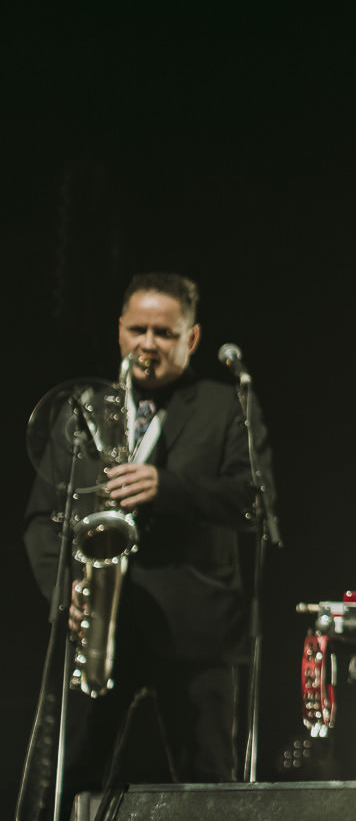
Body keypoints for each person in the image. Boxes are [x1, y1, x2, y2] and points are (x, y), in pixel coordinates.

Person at [23, 272, 276, 793]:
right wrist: (64, 593)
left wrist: (167, 486)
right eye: (138, 330)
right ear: (119, 330)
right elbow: (41, 519)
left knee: (208, 789)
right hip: (101, 624)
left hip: (195, 632)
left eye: (164, 333)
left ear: (192, 338)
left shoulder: (227, 405)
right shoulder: (83, 408)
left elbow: (255, 502)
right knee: (69, 787)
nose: (148, 344)